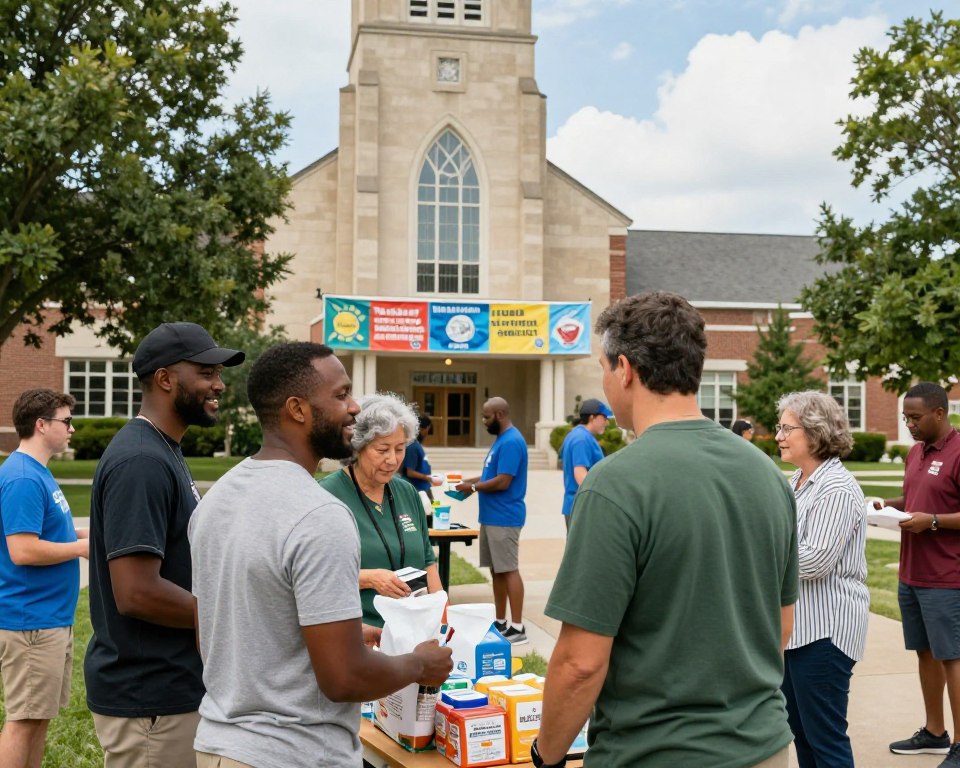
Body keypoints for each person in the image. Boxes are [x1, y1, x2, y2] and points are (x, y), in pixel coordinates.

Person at [533, 292, 798, 768]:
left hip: (654, 752)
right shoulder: (767, 474)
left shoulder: (615, 484)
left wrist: (546, 754)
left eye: (602, 367)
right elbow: (780, 626)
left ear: (625, 370)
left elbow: (580, 663)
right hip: (765, 747)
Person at [189, 342, 452, 768]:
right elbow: (345, 678)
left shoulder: (216, 499)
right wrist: (419, 665)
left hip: (218, 746)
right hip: (293, 753)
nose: (355, 408)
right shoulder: (321, 513)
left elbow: (219, 630)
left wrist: (343, 634)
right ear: (297, 409)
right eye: (341, 395)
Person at [84, 322, 244, 768]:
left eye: (218, 373)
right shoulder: (141, 461)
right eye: (206, 372)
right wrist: (228, 615)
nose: (218, 384)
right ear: (165, 379)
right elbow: (136, 592)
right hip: (149, 696)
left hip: (171, 686)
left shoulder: (163, 450)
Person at [776, 391, 868, 768]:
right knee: (802, 735)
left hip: (824, 633)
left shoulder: (837, 488)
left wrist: (759, 553)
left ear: (815, 432)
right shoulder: (796, 482)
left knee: (825, 739)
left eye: (787, 429)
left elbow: (815, 560)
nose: (779, 436)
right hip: (796, 630)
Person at [0, 389, 88, 768]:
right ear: (41, 424)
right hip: (31, 621)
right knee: (23, 722)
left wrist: (91, 536)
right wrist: (82, 549)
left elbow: (52, 532)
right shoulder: (23, 477)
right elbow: (23, 550)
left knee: (38, 719)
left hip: (48, 618)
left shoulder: (38, 472)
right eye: (66, 421)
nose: (71, 429)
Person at [880, 382, 960, 767]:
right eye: (905, 418)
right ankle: (934, 732)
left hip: (947, 576)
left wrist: (933, 522)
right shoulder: (916, 452)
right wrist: (885, 505)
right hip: (911, 573)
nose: (909, 425)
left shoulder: (958, 452)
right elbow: (915, 500)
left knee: (953, 657)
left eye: (915, 418)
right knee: (925, 652)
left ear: (940, 413)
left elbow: (933, 512)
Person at [320, 393, 442, 627]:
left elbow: (428, 563)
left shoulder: (407, 492)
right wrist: (369, 578)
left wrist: (442, 623)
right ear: (358, 447)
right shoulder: (327, 496)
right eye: (382, 449)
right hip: (359, 634)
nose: (393, 460)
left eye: (400, 449)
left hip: (416, 632)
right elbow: (314, 576)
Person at [455, 397, 529, 644]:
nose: (484, 421)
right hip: (491, 516)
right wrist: (468, 483)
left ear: (499, 414)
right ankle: (500, 621)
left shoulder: (511, 441)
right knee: (497, 570)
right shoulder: (501, 440)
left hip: (504, 517)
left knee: (508, 569)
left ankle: (517, 628)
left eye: (486, 417)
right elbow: (491, 475)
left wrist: (473, 487)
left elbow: (503, 481)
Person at [559, 398, 611, 533]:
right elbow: (580, 475)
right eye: (604, 418)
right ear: (592, 417)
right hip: (582, 508)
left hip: (578, 506)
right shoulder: (581, 439)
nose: (607, 422)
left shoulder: (576, 435)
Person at [400, 413, 443, 500]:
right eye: (428, 429)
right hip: (418, 491)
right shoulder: (412, 446)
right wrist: (428, 478)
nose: (427, 433)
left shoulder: (416, 444)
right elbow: (410, 472)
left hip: (424, 487)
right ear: (423, 429)